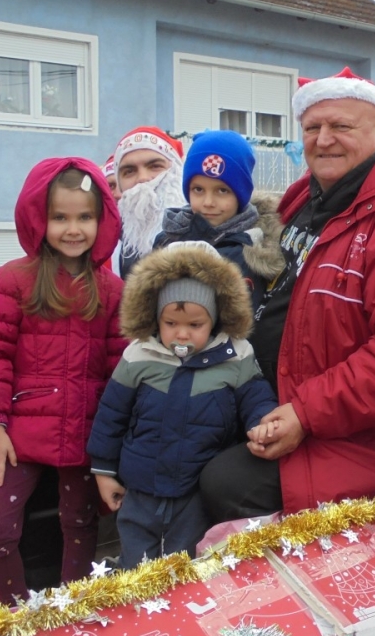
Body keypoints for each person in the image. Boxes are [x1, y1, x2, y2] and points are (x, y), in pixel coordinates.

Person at [200, 67, 375, 518]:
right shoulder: (307, 196)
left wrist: (305, 414)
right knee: (176, 440)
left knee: (225, 483)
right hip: (280, 395)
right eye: (312, 128)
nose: (323, 140)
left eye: (341, 126)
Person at [0, 157, 125, 605]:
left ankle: (72, 607)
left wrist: (112, 443)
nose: (73, 229)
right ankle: (18, 616)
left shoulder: (112, 290)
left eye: (84, 217)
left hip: (83, 432)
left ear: (101, 221)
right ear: (39, 218)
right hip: (20, 433)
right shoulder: (12, 280)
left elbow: (118, 370)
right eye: (60, 217)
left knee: (80, 524)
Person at [86, 242, 278, 568]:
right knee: (135, 565)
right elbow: (112, 415)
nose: (182, 334)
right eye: (171, 323)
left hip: (195, 489)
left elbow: (255, 398)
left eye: (194, 325)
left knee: (186, 564)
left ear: (214, 319)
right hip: (141, 487)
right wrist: (104, 471)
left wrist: (263, 422)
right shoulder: (140, 355)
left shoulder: (235, 356)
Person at [154, 130, 284, 308]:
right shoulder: (167, 239)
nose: (208, 202)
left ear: (241, 195)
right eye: (198, 189)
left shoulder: (255, 250)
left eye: (222, 191)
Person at [113, 126, 186, 277]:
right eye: (129, 171)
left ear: (178, 172)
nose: (143, 178)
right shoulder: (108, 245)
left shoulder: (208, 229)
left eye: (155, 166)